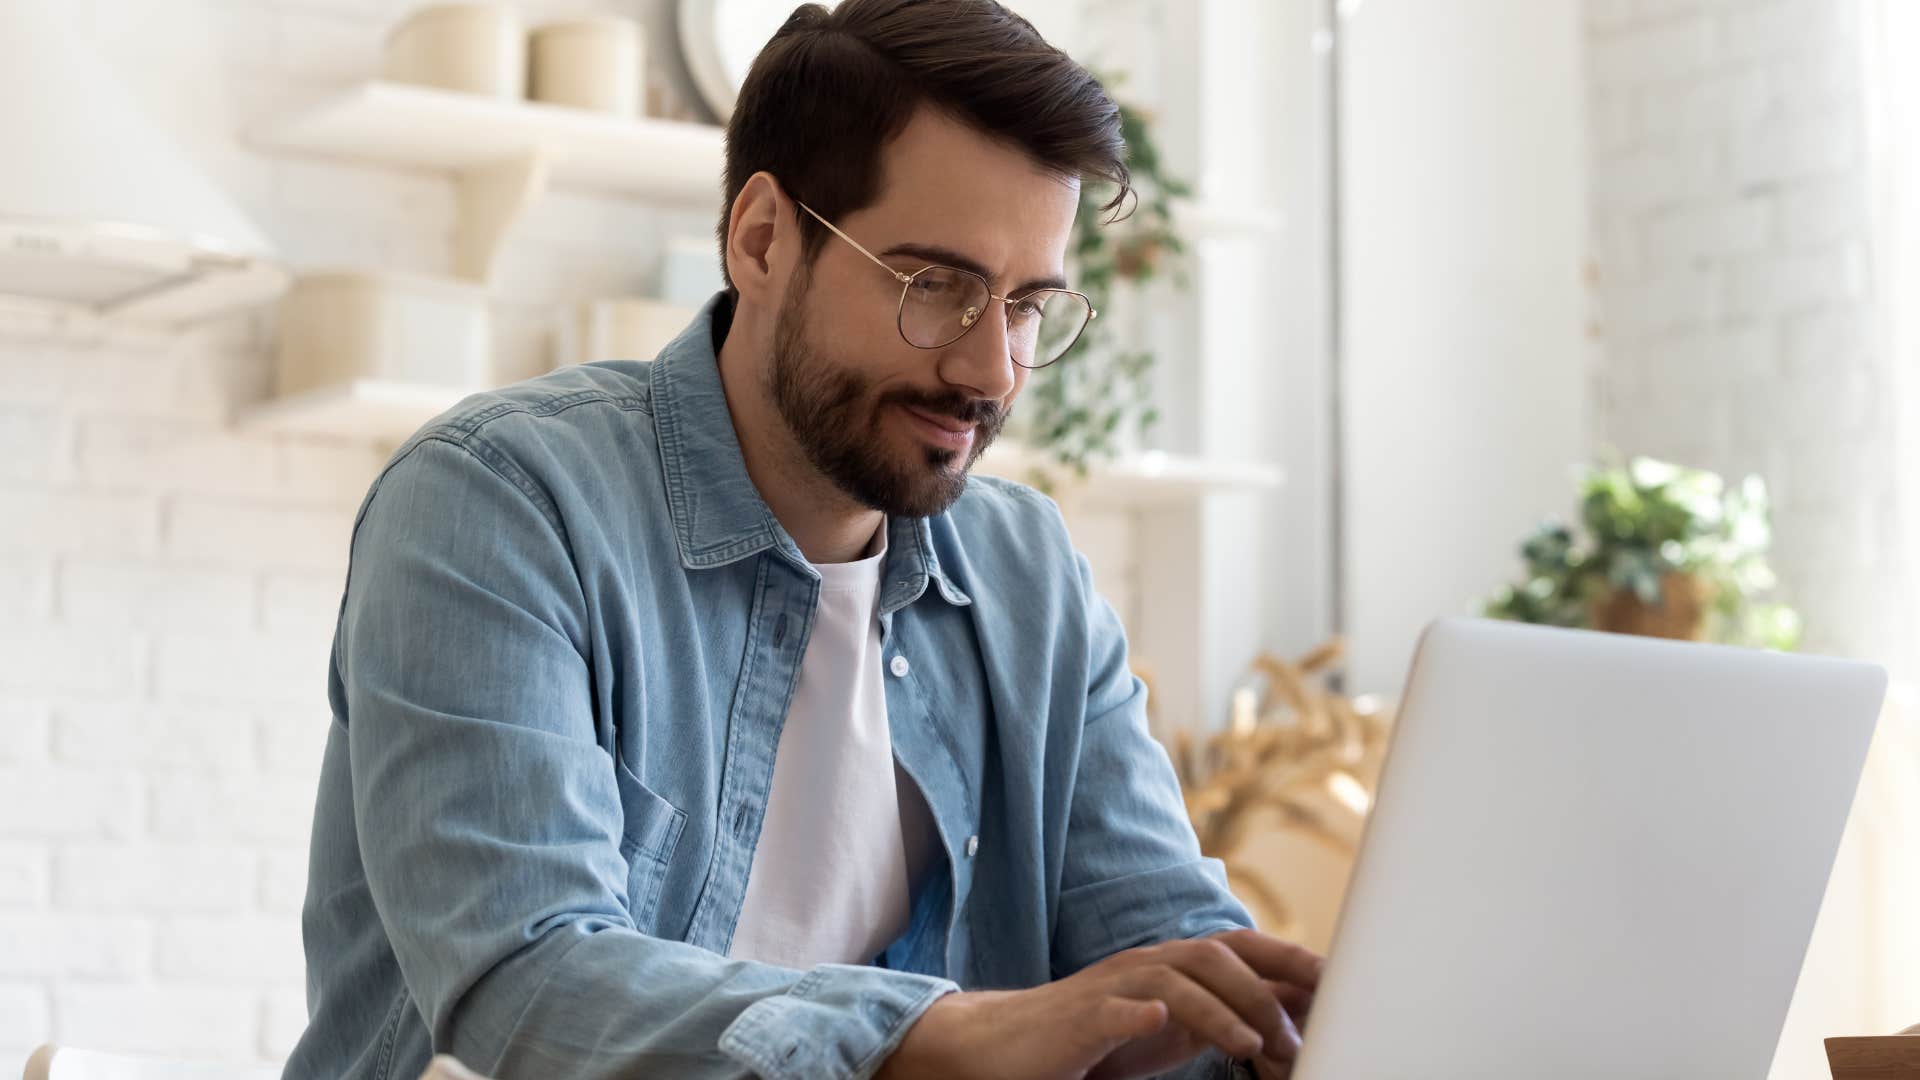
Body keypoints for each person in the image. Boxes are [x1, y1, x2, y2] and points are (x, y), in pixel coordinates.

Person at [282, 2, 1320, 1078]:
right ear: (763, 239)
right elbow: (524, 984)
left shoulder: (1028, 573)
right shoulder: (500, 502)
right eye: (938, 288)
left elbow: (1165, 957)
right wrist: (944, 1039)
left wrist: (1293, 1027)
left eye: (1024, 307)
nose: (992, 373)